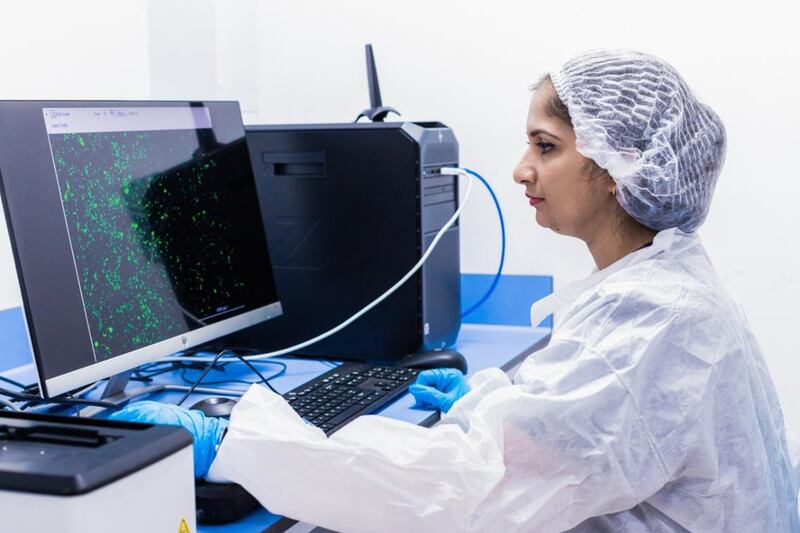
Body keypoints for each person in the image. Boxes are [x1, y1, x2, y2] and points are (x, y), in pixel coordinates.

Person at [111, 50, 800, 532]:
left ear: (619, 167)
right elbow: (588, 432)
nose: (520, 169)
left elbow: (455, 493)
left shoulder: (655, 321)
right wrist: (496, 401)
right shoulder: (664, 285)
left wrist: (234, 438)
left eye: (547, 146)